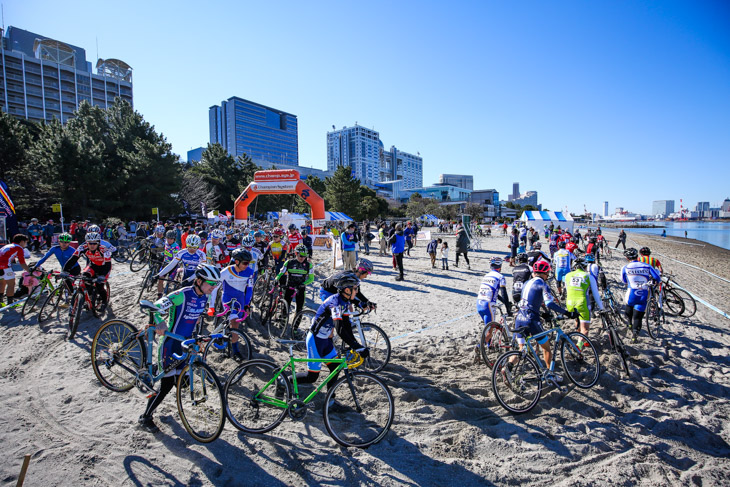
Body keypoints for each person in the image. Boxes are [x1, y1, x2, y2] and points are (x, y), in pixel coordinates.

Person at [138, 264, 222, 432]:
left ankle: (157, 368)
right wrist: (159, 320)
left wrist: (197, 340)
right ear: (198, 281)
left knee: (183, 382)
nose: (213, 288)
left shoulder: (204, 297)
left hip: (185, 344)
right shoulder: (182, 295)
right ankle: (145, 417)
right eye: (211, 284)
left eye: (216, 284)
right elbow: (154, 306)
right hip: (170, 343)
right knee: (167, 385)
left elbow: (196, 320)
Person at [292, 273, 370, 408]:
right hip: (315, 340)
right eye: (356, 288)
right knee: (312, 378)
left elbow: (346, 327)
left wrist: (356, 345)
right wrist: (356, 346)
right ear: (347, 290)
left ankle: (330, 401)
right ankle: (285, 381)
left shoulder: (345, 302)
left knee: (334, 367)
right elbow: (339, 329)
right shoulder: (334, 303)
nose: (357, 291)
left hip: (325, 341)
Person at [514, 261, 577, 381]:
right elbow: (549, 303)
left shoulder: (526, 283)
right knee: (546, 348)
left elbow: (528, 302)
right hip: (531, 320)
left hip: (519, 318)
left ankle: (508, 368)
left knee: (521, 349)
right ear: (546, 273)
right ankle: (550, 375)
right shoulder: (542, 284)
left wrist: (542, 313)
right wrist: (567, 313)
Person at [208, 249, 254, 360]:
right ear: (237, 261)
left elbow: (249, 290)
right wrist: (211, 306)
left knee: (235, 321)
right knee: (234, 323)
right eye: (245, 263)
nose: (247, 266)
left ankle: (224, 331)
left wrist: (247, 305)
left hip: (240, 299)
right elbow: (214, 289)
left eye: (248, 263)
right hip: (227, 298)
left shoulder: (249, 272)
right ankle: (236, 351)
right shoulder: (225, 271)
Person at [621, 248, 661, 343]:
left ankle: (629, 323)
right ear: (637, 256)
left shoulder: (625, 267)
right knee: (638, 316)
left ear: (627, 258)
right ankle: (635, 335)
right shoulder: (647, 266)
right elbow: (657, 278)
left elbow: (623, 280)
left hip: (632, 292)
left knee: (629, 306)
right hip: (644, 292)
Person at [63, 232, 112, 308]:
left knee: (99, 286)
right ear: (86, 243)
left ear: (98, 243)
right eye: (90, 243)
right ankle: (89, 296)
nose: (92, 245)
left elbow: (108, 265)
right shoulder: (82, 248)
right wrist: (65, 270)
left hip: (104, 267)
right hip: (93, 266)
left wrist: (103, 275)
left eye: (94, 243)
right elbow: (73, 259)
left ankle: (104, 301)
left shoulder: (104, 250)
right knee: (84, 278)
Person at [564, 257, 604, 345]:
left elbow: (568, 290)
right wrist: (602, 308)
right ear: (585, 267)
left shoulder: (567, 276)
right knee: (585, 330)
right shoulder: (588, 276)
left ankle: (582, 338)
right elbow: (596, 294)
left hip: (570, 303)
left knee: (577, 319)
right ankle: (579, 347)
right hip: (582, 303)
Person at [276, 244, 314, 315]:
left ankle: (295, 326)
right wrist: (276, 279)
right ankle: (283, 323)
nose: (303, 258)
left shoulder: (309, 265)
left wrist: (303, 284)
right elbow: (281, 273)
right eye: (301, 256)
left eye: (305, 256)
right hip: (289, 286)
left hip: (300, 288)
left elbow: (311, 279)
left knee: (299, 310)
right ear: (296, 253)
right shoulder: (289, 262)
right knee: (285, 308)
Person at [0, 235, 32, 306]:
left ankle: (1, 302)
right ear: (21, 242)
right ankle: (10, 303)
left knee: (2, 283)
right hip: (5, 267)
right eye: (25, 242)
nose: (26, 244)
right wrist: (29, 271)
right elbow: (22, 263)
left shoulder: (7, 246)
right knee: (11, 284)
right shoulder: (19, 248)